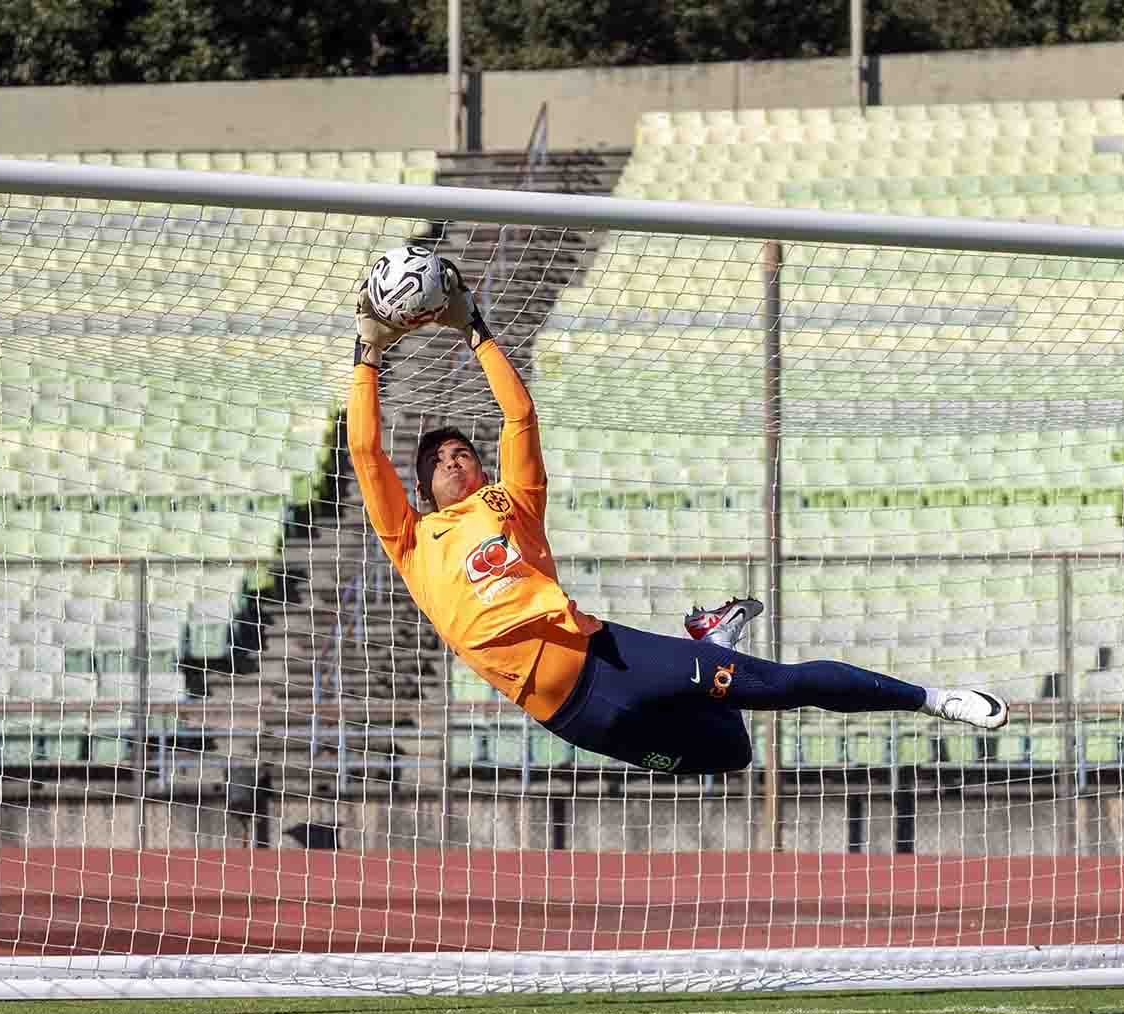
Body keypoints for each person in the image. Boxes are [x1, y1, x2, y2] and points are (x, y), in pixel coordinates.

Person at [345, 258, 1008, 776]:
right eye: (440, 460)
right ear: (423, 488)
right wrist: (367, 350)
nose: (455, 461)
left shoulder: (510, 506)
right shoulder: (413, 542)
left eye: (464, 452)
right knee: (728, 755)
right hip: (570, 714)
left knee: (780, 686)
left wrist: (476, 329)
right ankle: (713, 642)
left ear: (484, 470)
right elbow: (365, 449)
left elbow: (519, 416)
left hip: (607, 655)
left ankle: (931, 697)